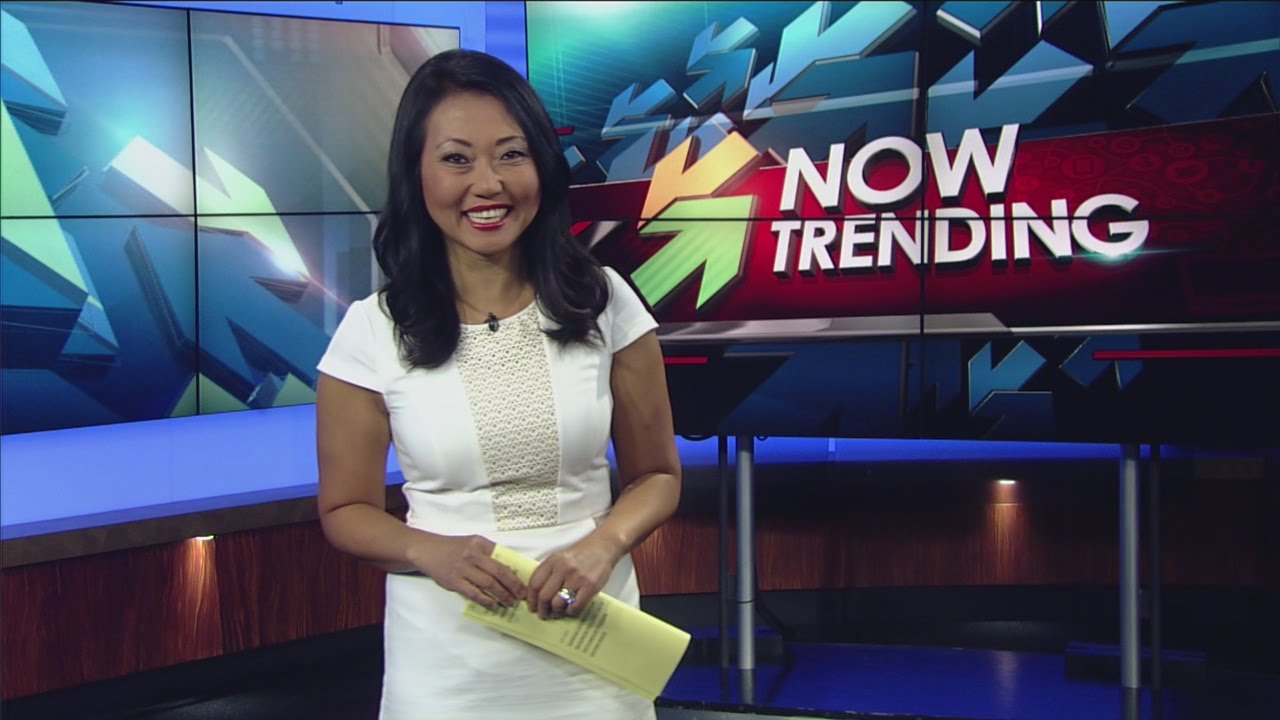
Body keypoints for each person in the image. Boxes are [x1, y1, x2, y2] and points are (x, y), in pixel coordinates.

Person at [314, 49, 681, 720]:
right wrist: (429, 550)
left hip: (591, 650)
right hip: (447, 664)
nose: (488, 184)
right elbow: (345, 511)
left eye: (511, 155)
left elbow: (658, 475)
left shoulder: (604, 302)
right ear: (416, 174)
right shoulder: (372, 330)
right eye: (456, 159)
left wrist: (602, 546)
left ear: (542, 166)